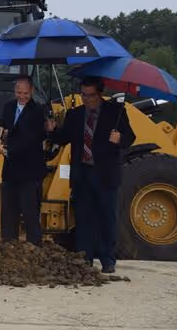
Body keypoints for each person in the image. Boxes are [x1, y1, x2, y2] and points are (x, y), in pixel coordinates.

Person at [47, 76, 135, 273]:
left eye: (91, 96)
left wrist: (120, 138)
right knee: (84, 219)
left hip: (105, 175)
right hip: (82, 175)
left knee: (106, 218)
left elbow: (130, 137)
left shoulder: (116, 113)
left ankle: (107, 260)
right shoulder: (75, 114)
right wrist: (53, 131)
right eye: (83, 95)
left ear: (100, 93)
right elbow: (64, 138)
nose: (87, 99)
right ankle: (84, 260)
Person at [0, 75, 48, 246]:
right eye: (19, 92)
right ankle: (9, 248)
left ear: (31, 91)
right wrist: (2, 135)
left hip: (30, 172)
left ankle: (34, 250)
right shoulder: (8, 108)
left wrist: (6, 150)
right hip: (10, 172)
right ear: (14, 91)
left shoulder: (38, 112)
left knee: (30, 214)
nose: (22, 96)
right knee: (8, 214)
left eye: (26, 93)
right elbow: (7, 129)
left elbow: (30, 140)